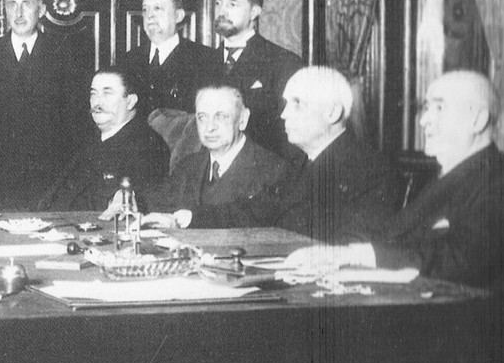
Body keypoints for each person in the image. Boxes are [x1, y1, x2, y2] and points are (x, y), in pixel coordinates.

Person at [282, 72, 504, 363]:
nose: (424, 120)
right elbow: (396, 241)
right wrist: (338, 258)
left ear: (477, 119)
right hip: (430, 346)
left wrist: (357, 255)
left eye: (438, 108)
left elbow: (461, 262)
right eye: (425, 108)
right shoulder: (448, 180)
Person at [145, 66, 401, 243]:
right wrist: (187, 218)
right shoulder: (302, 164)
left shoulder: (368, 170)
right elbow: (253, 211)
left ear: (332, 113)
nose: (284, 114)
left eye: (296, 104)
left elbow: (353, 251)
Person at [0, 0, 90, 209]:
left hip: (50, 180)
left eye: (26, 4)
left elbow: (76, 122)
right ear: (5, 11)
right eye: (12, 5)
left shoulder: (65, 53)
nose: (18, 13)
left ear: (41, 10)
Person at [107, 85, 287, 216]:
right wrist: (129, 197)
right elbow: (161, 198)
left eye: (221, 116)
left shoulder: (271, 170)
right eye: (202, 117)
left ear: (242, 119)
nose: (210, 127)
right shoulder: (189, 164)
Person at [40, 69, 169, 211]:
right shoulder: (87, 141)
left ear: (130, 101)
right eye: (93, 94)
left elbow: (138, 203)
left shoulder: (148, 146)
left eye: (107, 93)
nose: (97, 102)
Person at [211, 0, 303, 157]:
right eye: (218, 3)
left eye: (232, 4)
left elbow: (293, 139)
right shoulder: (202, 62)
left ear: (254, 12)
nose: (222, 11)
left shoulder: (283, 62)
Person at [118, 0, 221, 114]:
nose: (149, 16)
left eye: (157, 8)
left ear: (178, 16)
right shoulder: (129, 60)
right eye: (145, 10)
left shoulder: (204, 59)